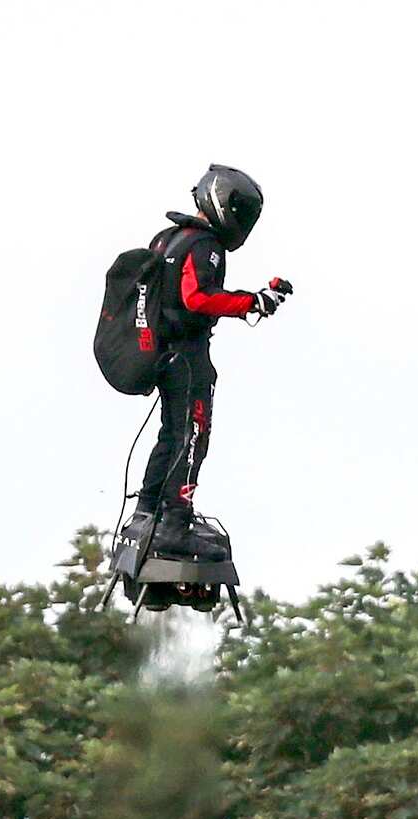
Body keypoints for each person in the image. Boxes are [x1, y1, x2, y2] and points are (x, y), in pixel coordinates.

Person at [123, 164, 292, 561]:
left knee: (172, 433)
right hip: (187, 357)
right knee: (193, 434)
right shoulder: (205, 244)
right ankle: (174, 525)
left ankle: (147, 514)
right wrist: (250, 302)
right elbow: (196, 297)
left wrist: (255, 298)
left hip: (162, 353)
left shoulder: (169, 237)